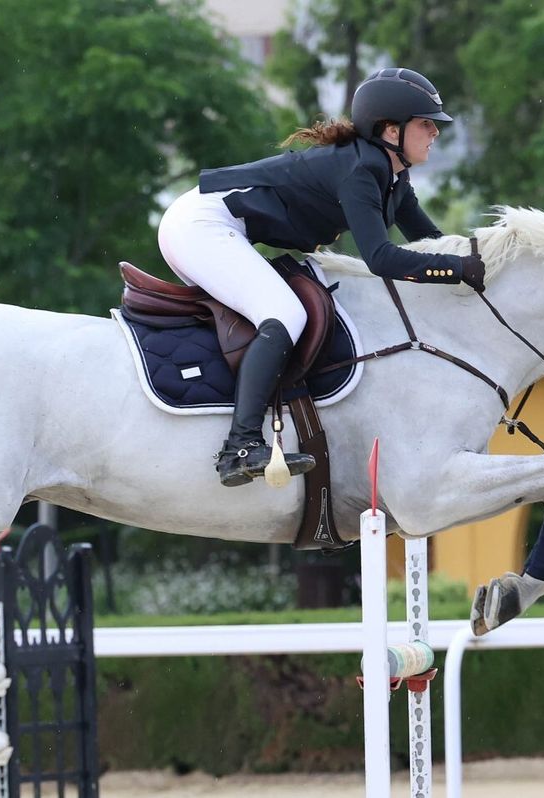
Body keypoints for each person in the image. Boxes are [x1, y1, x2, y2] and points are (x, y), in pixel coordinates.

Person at [158, 67, 487, 488]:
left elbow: (429, 240)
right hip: (200, 225)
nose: (435, 133)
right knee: (285, 314)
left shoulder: (391, 175)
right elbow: (382, 258)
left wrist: (476, 263)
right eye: (426, 124)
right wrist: (458, 270)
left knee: (284, 309)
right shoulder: (360, 171)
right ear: (390, 130)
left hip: (215, 225)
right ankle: (239, 447)